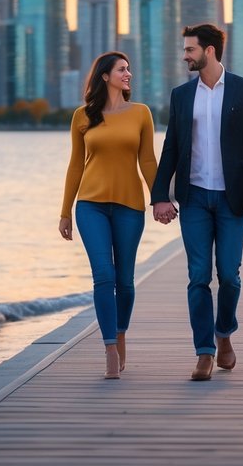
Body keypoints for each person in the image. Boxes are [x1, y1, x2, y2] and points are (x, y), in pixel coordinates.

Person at [151, 23, 243, 382]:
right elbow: (171, 147)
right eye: (185, 49)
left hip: (233, 199)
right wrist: (160, 196)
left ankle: (224, 334)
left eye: (190, 50)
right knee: (198, 276)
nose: (185, 55)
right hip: (193, 199)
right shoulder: (181, 95)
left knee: (230, 277)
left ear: (210, 51)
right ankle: (204, 352)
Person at [60, 51, 159, 380]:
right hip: (90, 205)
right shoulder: (82, 116)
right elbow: (76, 164)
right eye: (121, 69)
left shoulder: (141, 113)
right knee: (103, 275)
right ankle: (109, 350)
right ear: (105, 76)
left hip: (130, 206)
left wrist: (160, 198)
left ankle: (119, 332)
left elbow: (147, 161)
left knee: (125, 282)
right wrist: (65, 212)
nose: (128, 74)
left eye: (129, 69)